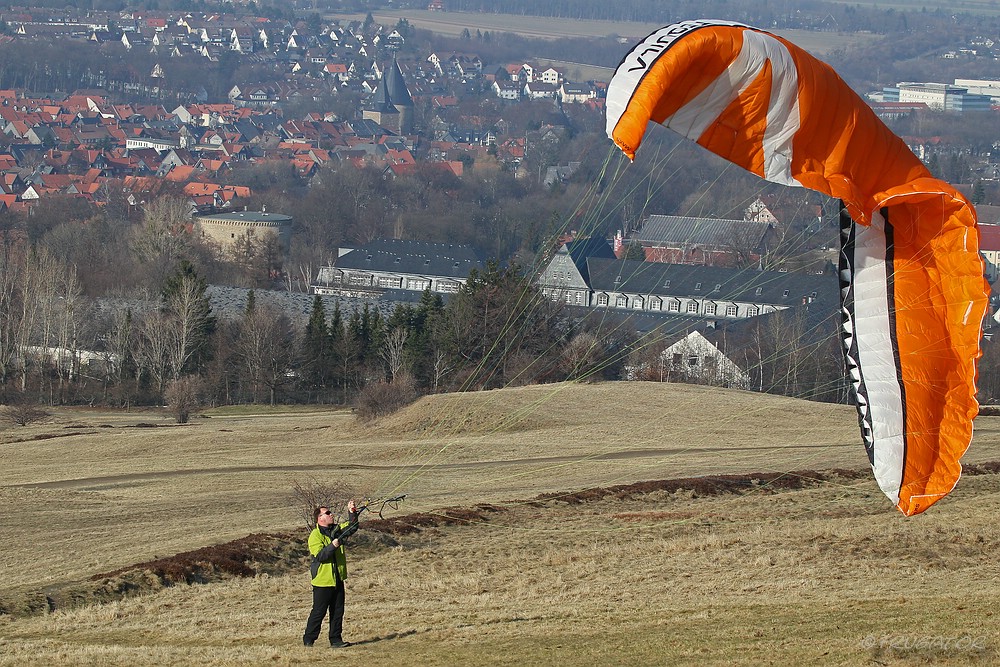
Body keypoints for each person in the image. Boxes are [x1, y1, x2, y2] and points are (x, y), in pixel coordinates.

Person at [302, 499, 359, 648]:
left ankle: (336, 640)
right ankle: (309, 640)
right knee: (318, 612)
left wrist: (352, 512)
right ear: (319, 518)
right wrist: (333, 545)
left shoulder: (336, 530)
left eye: (330, 512)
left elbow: (352, 527)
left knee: (337, 611)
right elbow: (320, 555)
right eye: (327, 513)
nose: (331, 514)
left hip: (338, 579)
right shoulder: (315, 535)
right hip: (323, 581)